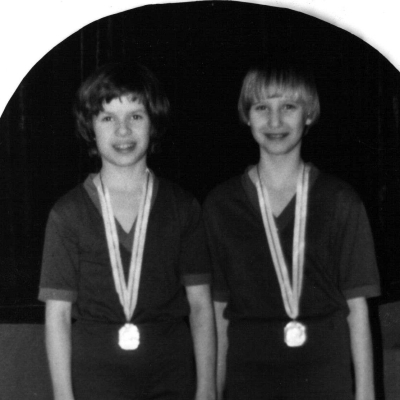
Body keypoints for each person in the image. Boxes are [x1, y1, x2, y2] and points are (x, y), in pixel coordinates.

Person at [203, 56, 380, 400]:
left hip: (326, 379)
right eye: (261, 107)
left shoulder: (340, 200)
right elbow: (218, 314)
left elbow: (358, 309)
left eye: (288, 106)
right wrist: (212, 390)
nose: (275, 121)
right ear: (246, 115)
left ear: (309, 113)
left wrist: (366, 394)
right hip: (248, 381)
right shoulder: (220, 205)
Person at [39, 62, 216, 400]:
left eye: (135, 116)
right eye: (108, 118)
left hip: (172, 377)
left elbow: (200, 306)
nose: (123, 130)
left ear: (154, 122)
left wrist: (206, 388)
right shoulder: (68, 214)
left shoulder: (183, 207)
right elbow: (58, 316)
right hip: (94, 380)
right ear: (90, 126)